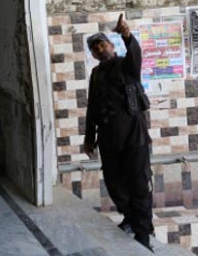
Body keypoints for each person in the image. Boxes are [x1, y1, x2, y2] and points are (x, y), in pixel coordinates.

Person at [83, 14, 154, 252]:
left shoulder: (127, 66)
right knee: (114, 183)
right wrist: (89, 138)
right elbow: (92, 106)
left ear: (111, 46)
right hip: (108, 138)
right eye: (95, 48)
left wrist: (127, 36)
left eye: (102, 44)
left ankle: (143, 234)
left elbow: (136, 56)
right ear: (92, 54)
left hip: (135, 136)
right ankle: (131, 217)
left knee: (139, 184)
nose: (99, 49)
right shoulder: (96, 74)